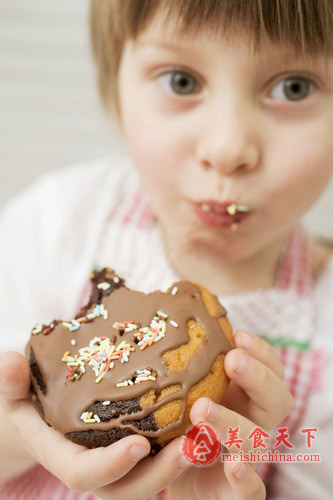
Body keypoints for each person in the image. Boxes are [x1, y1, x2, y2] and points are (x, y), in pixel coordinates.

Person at [0, 0, 332, 498]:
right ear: (115, 82)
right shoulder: (60, 222)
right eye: (181, 81)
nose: (226, 148)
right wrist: (16, 431)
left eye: (295, 87)